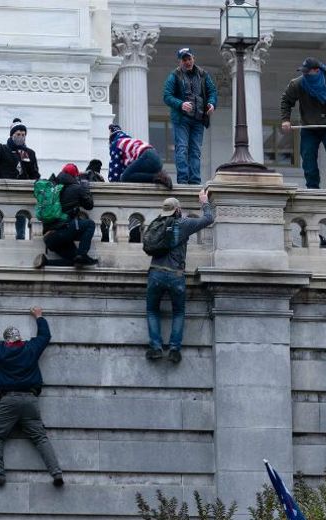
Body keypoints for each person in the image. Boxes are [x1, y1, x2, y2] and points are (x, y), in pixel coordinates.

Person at [0, 305, 63, 487]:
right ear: (20, 338)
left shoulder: (1, 350)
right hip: (31, 400)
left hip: (9, 400)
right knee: (40, 438)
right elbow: (45, 337)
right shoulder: (30, 349)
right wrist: (39, 316)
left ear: (7, 340)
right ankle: (56, 473)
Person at [143, 189, 215, 364]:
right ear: (177, 210)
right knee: (178, 312)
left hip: (155, 272)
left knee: (152, 310)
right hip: (176, 275)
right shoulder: (183, 223)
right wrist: (204, 202)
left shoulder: (156, 223)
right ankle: (174, 350)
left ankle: (156, 347)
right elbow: (208, 219)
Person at [280, 57, 326, 190]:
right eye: (303, 72)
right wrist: (286, 119)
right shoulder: (298, 83)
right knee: (307, 155)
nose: (305, 74)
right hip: (309, 126)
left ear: (317, 71)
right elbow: (286, 101)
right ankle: (312, 187)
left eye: (307, 72)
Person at [163, 48, 217, 186]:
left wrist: (211, 103)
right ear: (180, 61)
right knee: (182, 148)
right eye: (184, 59)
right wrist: (181, 104)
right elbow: (167, 96)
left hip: (198, 119)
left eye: (189, 58)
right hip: (182, 119)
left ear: (194, 58)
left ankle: (194, 181)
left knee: (195, 151)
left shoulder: (203, 74)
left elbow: (212, 92)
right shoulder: (174, 75)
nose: (187, 62)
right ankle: (182, 180)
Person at [34, 163, 98, 269]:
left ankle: (46, 262)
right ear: (74, 176)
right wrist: (85, 188)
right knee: (89, 224)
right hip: (63, 231)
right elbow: (89, 205)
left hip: (49, 238)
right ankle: (82, 254)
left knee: (75, 261)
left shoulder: (52, 187)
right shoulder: (76, 188)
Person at [108, 124, 172, 189]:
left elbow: (114, 168)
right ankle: (160, 177)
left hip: (147, 157)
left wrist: (113, 185)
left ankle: (158, 177)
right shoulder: (129, 141)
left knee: (125, 177)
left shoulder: (117, 143)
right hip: (157, 159)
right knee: (134, 176)